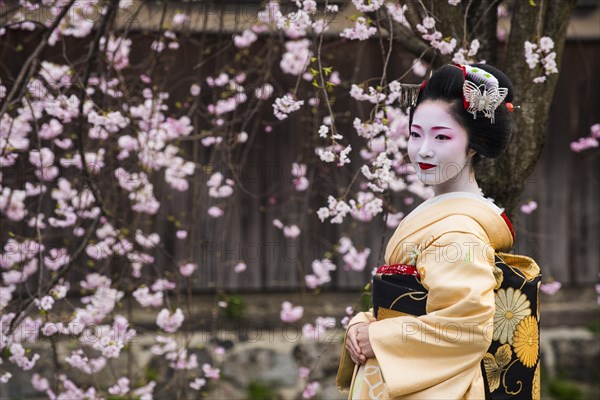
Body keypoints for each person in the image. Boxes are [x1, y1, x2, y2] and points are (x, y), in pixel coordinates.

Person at [336, 64, 537, 399]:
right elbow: (404, 304)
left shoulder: (459, 231)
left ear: (472, 145)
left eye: (442, 136)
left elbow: (467, 327)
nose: (424, 149)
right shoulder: (446, 216)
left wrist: (379, 338)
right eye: (416, 134)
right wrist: (362, 325)